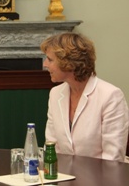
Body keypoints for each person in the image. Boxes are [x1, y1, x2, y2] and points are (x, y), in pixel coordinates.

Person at [41, 32, 129, 162]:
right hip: (64, 178)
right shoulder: (55, 93)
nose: (45, 64)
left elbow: (113, 158)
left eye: (50, 59)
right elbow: (52, 147)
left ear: (68, 62)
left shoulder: (110, 95)